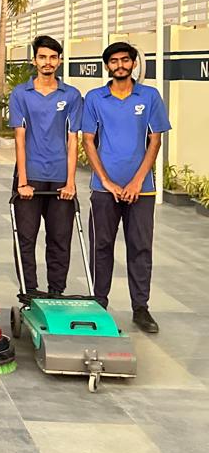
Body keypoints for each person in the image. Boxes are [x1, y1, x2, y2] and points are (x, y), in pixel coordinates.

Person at [81, 40, 170, 333]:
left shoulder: (150, 96)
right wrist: (107, 181)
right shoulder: (95, 98)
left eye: (125, 60)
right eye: (114, 61)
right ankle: (99, 304)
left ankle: (141, 308)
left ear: (133, 63)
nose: (120, 65)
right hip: (104, 189)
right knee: (101, 246)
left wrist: (136, 181)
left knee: (140, 247)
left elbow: (155, 141)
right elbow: (88, 141)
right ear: (107, 66)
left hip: (141, 189)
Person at [8, 35, 83, 295]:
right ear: (34, 60)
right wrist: (23, 182)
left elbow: (73, 140)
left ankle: (56, 292)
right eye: (42, 57)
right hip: (30, 176)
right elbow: (19, 138)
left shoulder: (71, 95)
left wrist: (71, 182)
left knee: (60, 240)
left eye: (52, 57)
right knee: (25, 240)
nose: (47, 62)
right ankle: (29, 292)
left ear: (59, 61)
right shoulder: (21, 94)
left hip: (60, 178)